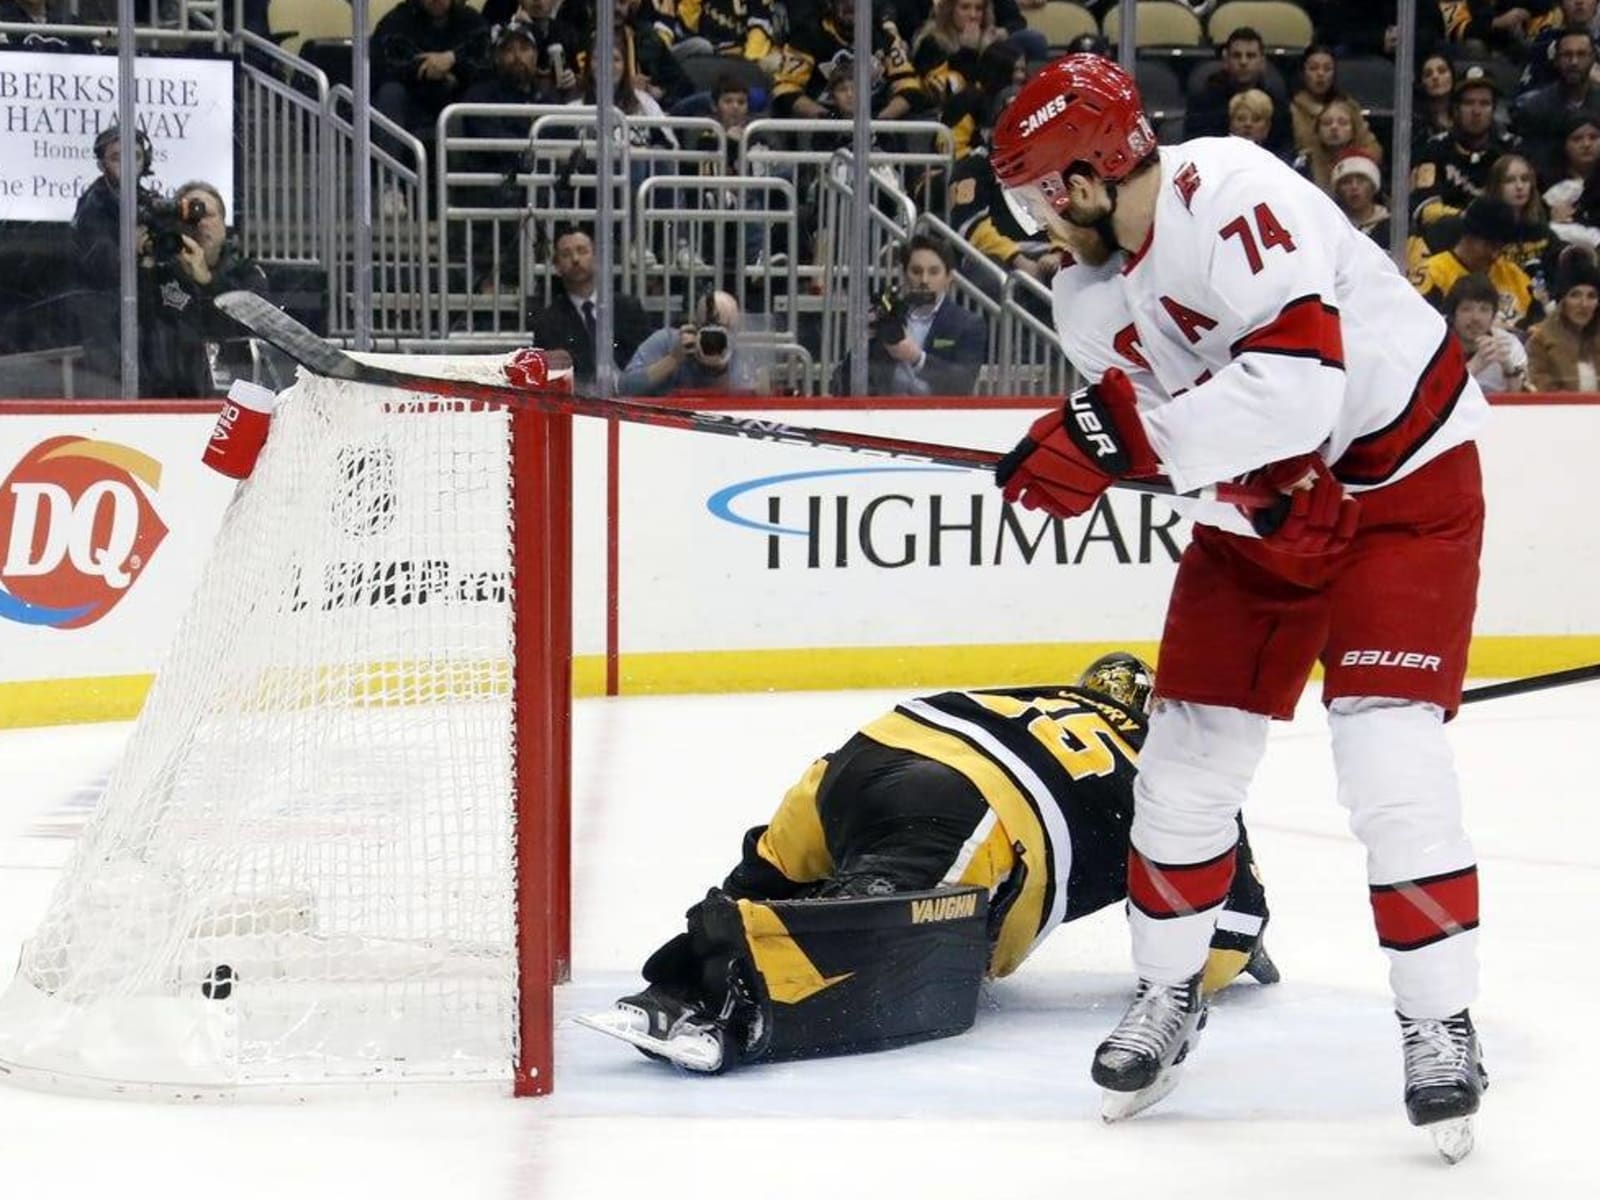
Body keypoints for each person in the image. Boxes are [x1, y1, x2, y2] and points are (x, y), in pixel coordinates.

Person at [988, 54, 1490, 1159]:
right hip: (1268, 526)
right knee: (1182, 766)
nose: (1036, 220)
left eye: (1036, 193)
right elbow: (1202, 455)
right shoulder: (1083, 299)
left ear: (1079, 174)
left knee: (1389, 763)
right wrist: (1236, 503)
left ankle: (1437, 1020)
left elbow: (1297, 387)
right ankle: (1168, 994)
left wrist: (1124, 445)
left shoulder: (1229, 190)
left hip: (1405, 488)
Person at [577, 654, 1278, 1073]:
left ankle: (703, 949)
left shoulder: (1028, 694)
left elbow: (797, 830)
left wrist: (752, 884)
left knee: (774, 874)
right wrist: (1232, 961)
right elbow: (1228, 920)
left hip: (868, 756)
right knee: (872, 928)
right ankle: (734, 1001)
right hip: (975, 804)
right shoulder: (1171, 768)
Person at [137, 181, 269, 397]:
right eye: (190, 216)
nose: (200, 224)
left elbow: (247, 335)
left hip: (232, 395)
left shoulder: (247, 276)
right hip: (167, 396)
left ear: (224, 225)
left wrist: (207, 282)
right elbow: (139, 328)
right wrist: (145, 264)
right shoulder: (161, 274)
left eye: (206, 214)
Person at [839, 234, 987, 395]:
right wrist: (864, 341)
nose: (924, 280)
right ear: (904, 273)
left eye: (934, 272)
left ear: (949, 277)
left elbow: (963, 383)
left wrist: (917, 358)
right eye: (916, 271)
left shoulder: (968, 324)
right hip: (885, 413)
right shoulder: (890, 316)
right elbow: (846, 380)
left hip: (938, 416)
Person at [529, 227, 650, 387]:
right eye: (566, 254)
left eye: (582, 251)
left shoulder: (628, 307)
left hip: (633, 398)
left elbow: (646, 361)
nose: (575, 259)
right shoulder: (548, 321)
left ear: (596, 258)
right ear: (557, 267)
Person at [771, 0, 931, 121]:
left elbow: (909, 87)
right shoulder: (808, 37)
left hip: (879, 131)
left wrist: (879, 121)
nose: (850, 4)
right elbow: (785, 90)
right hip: (824, 135)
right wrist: (828, 118)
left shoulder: (884, 37)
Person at [1411, 64, 1518, 233]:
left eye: (1484, 104)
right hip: (1448, 235)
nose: (1476, 111)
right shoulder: (1434, 149)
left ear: (1494, 109)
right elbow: (1423, 206)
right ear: (1456, 109)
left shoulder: (1511, 150)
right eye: (1469, 103)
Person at [372, 0, 491, 149]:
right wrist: (425, 71)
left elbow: (486, 64)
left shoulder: (472, 21)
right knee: (390, 93)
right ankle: (390, 170)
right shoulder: (397, 20)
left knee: (478, 95)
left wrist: (454, 60)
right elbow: (383, 63)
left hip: (457, 100)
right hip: (412, 101)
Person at [1411, 196, 1540, 331]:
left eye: (1500, 248)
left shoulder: (1513, 275)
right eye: (1489, 245)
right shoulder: (1432, 274)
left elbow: (1538, 321)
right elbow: (1417, 328)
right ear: (1468, 236)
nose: (1495, 255)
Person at [621, 288, 753, 394]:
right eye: (707, 327)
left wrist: (720, 371)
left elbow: (746, 404)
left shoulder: (739, 354)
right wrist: (673, 359)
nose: (715, 338)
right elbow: (626, 387)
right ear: (695, 324)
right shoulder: (667, 341)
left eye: (725, 330)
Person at [1183, 27, 1292, 154]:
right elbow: (1194, 151)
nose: (1243, 62)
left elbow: (1285, 155)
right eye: (1236, 55)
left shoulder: (1277, 107)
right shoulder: (1202, 105)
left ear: (1262, 62)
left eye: (1250, 56)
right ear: (1226, 61)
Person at [1513, 27, 1600, 164]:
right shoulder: (1535, 108)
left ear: (1593, 59)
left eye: (1581, 54)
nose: (1574, 62)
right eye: (1567, 55)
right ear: (1556, 60)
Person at [1289, 43, 1381, 165]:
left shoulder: (1349, 106)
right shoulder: (1291, 109)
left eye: (1327, 69)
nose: (1320, 74)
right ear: (1302, 72)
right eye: (1313, 68)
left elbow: (1374, 151)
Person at [1526, 249, 1600, 387]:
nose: (1584, 304)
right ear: (1562, 301)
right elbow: (1541, 391)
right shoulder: (1540, 341)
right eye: (1575, 295)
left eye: (1591, 296)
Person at [1447, 272, 1530, 392]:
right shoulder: (1437, 346)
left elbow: (1524, 403)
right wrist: (1476, 365)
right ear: (1453, 314)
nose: (1475, 318)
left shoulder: (1509, 345)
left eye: (1484, 310)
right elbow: (1437, 400)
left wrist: (1508, 368)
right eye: (1467, 309)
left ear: (1493, 315)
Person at [1330, 148, 1392, 249]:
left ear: (1373, 186)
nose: (1354, 187)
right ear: (1338, 190)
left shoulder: (1393, 227)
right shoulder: (1331, 227)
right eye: (1346, 182)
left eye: (1361, 180)